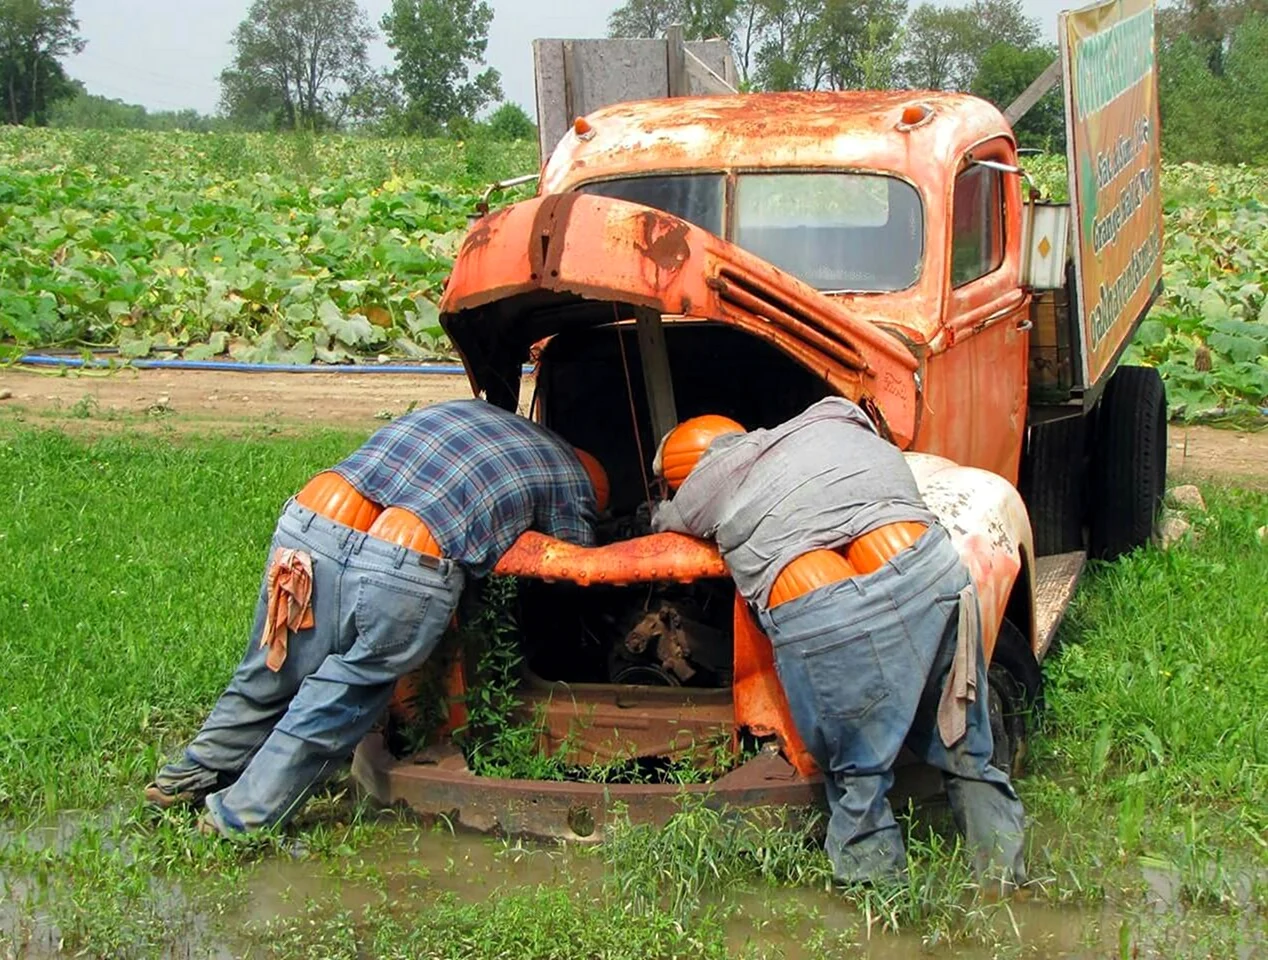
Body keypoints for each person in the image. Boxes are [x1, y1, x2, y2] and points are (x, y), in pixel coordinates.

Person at [146, 398, 607, 837]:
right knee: (340, 696)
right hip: (406, 561)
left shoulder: (473, 413)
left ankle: (182, 781)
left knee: (269, 670)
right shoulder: (573, 475)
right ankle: (237, 821)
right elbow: (570, 571)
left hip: (309, 528)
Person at [650, 397, 1025, 890]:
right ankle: (1005, 888)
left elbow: (661, 524)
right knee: (965, 749)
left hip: (826, 617)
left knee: (858, 785)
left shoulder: (704, 487)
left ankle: (888, 918)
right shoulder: (830, 415)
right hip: (932, 574)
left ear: (685, 473)